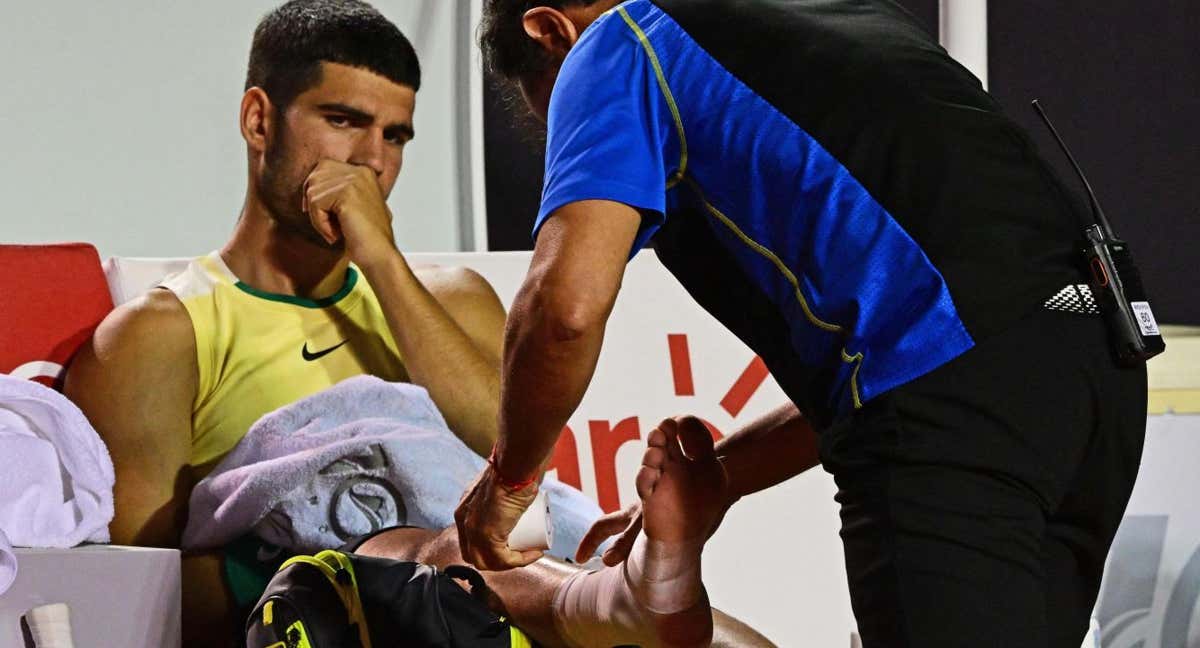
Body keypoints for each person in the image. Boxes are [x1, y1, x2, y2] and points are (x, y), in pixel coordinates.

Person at [65, 1, 773, 645]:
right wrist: (322, 564)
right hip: (350, 615)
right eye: (343, 122)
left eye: (395, 136)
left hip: (515, 601)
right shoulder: (159, 335)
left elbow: (517, 464)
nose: (373, 161)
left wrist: (381, 262)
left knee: (731, 640)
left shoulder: (451, 299)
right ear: (259, 121)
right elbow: (135, 607)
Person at [456, 1, 1149, 646]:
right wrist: (721, 476)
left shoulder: (619, 41)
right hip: (1096, 365)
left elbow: (564, 311)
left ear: (549, 30)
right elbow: (938, 336)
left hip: (963, 406)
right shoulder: (841, 17)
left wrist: (508, 484)